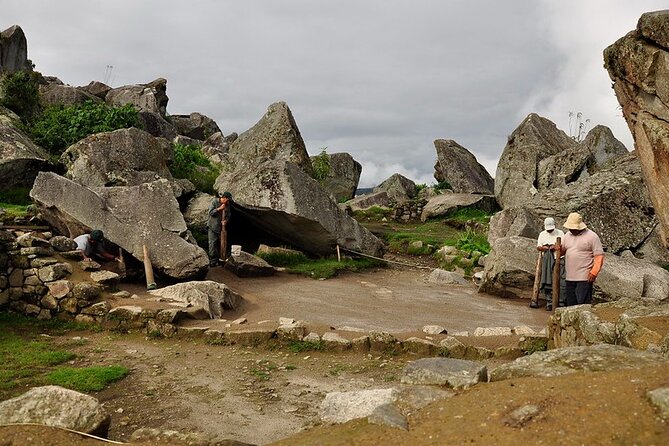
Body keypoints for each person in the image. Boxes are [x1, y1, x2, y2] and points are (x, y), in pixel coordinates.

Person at [561, 212, 604, 306]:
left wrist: (594, 272)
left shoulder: (592, 236)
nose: (571, 230)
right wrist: (557, 249)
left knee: (582, 303)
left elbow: (599, 256)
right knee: (570, 303)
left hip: (584, 276)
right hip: (570, 276)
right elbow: (562, 251)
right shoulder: (567, 235)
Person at [531, 217, 565, 311]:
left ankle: (560, 302)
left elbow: (563, 246)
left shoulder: (560, 233)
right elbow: (538, 247)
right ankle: (549, 302)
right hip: (546, 259)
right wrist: (545, 248)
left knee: (559, 281)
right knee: (547, 280)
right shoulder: (542, 234)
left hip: (558, 259)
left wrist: (556, 247)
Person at [207, 191, 232, 267]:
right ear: (223, 198)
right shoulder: (214, 202)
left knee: (219, 244)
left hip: (221, 228)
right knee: (212, 243)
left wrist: (225, 221)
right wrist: (219, 209)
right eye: (227, 199)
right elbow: (211, 213)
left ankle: (220, 259)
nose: (228, 201)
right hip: (212, 226)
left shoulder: (227, 205)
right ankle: (212, 261)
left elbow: (228, 215)